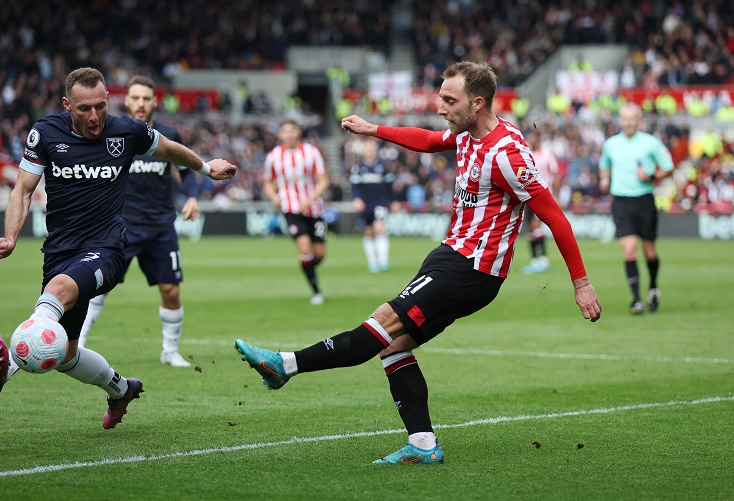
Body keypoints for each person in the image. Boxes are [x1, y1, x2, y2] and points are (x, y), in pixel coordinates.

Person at [235, 61, 602, 464]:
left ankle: (285, 365)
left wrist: (581, 282)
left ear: (477, 103)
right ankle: (423, 445)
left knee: (382, 324)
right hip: (452, 255)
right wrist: (374, 129)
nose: (440, 106)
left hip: (471, 268)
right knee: (395, 346)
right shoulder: (466, 134)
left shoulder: (508, 153)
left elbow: (554, 216)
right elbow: (428, 141)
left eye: (449, 99)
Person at [0, 67, 236, 430]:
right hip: (60, 251)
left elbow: (168, 148)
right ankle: (121, 390)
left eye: (101, 107)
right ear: (67, 104)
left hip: (108, 248)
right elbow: (22, 190)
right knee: (67, 354)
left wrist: (206, 168)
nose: (95, 116)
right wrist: (10, 236)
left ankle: (8, 367)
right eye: (85, 109)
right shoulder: (45, 133)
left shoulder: (126, 131)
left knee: (58, 291)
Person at [77, 75, 199, 368]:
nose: (141, 103)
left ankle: (169, 351)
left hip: (160, 227)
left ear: (155, 101)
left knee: (171, 290)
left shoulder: (169, 133)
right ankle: (77, 342)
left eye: (146, 98)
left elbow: (187, 169)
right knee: (100, 285)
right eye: (136, 98)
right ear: (127, 101)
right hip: (121, 226)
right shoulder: (113, 133)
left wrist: (193, 196)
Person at [599, 104, 673, 315]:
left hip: (645, 202)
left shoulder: (651, 143)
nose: (628, 122)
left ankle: (653, 287)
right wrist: (605, 178)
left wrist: (652, 176)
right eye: (624, 119)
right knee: (629, 249)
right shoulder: (611, 144)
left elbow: (668, 168)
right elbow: (604, 163)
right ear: (620, 121)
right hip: (621, 204)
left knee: (649, 251)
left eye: (632, 119)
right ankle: (637, 299)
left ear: (639, 121)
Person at [263, 119, 330, 305]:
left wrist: (309, 200)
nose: (289, 134)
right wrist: (274, 197)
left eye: (292, 130)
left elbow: (323, 180)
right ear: (280, 134)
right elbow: (267, 181)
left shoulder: (311, 152)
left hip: (314, 209)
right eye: (285, 131)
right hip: (290, 209)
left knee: (320, 253)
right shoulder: (274, 156)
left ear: (298, 132)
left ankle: (307, 267)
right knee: (305, 248)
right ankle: (316, 291)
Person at [349, 137, 394, 273]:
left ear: (376, 150)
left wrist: (392, 201)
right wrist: (356, 199)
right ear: (364, 150)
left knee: (379, 227)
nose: (370, 150)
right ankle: (372, 262)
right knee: (368, 232)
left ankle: (383, 260)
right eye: (367, 148)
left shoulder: (383, 166)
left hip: (379, 202)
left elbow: (389, 186)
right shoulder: (358, 168)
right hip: (365, 204)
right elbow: (355, 187)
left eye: (372, 148)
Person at [521, 129, 562, 274]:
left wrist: (556, 197)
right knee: (531, 230)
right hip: (528, 197)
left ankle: (543, 260)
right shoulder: (526, 154)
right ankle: (535, 260)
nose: (529, 140)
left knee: (535, 225)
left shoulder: (547, 154)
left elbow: (556, 175)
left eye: (531, 137)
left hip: (543, 196)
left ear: (537, 138)